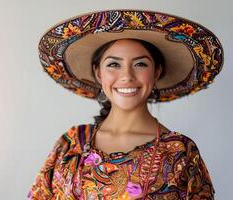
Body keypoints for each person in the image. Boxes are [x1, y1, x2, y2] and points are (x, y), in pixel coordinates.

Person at [28, 9, 223, 199]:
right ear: (98, 73)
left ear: (156, 72)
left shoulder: (180, 153)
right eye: (114, 64)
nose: (127, 76)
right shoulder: (71, 144)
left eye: (140, 64)